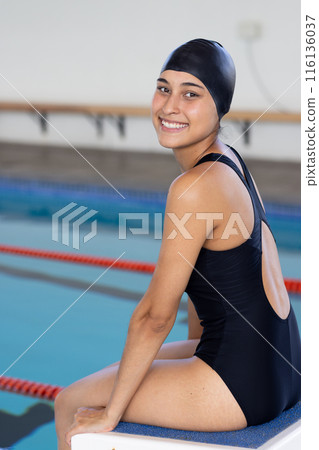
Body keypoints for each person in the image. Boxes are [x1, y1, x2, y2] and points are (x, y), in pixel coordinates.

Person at [55, 39, 301, 448]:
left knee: (70, 404)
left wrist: (111, 413)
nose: (170, 106)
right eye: (164, 88)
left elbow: (154, 316)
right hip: (284, 366)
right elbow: (215, 286)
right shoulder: (230, 161)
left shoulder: (194, 187)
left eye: (191, 94)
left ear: (219, 108)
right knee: (123, 372)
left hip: (240, 385)